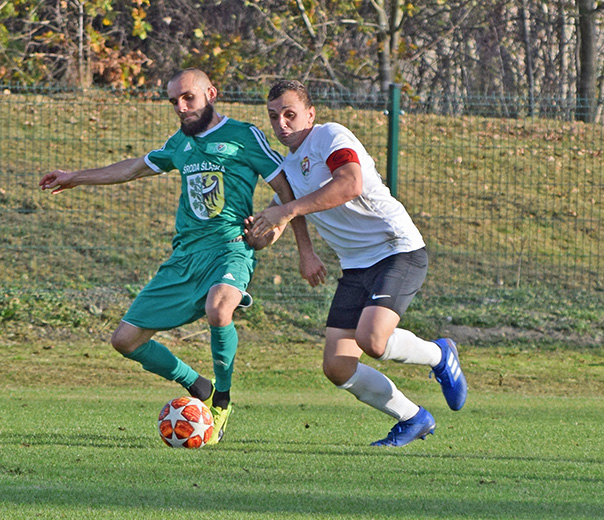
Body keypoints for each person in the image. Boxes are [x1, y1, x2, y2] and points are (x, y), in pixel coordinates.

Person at [39, 69, 320, 445]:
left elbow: (286, 190)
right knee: (125, 340)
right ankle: (197, 385)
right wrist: (75, 176)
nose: (182, 107)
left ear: (211, 94)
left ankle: (221, 401)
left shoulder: (243, 136)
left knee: (219, 310)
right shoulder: (179, 144)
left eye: (188, 98)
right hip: (184, 257)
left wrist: (294, 242)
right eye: (174, 101)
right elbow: (135, 167)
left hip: (229, 249)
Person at [247, 79, 467, 447]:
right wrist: (264, 236)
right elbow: (284, 216)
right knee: (337, 366)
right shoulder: (289, 164)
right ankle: (413, 418)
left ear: (310, 114)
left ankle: (439, 354)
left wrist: (286, 209)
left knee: (373, 339)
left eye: (290, 114)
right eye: (274, 116)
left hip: (396, 249)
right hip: (356, 266)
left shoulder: (330, 137)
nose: (282, 124)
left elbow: (349, 184)